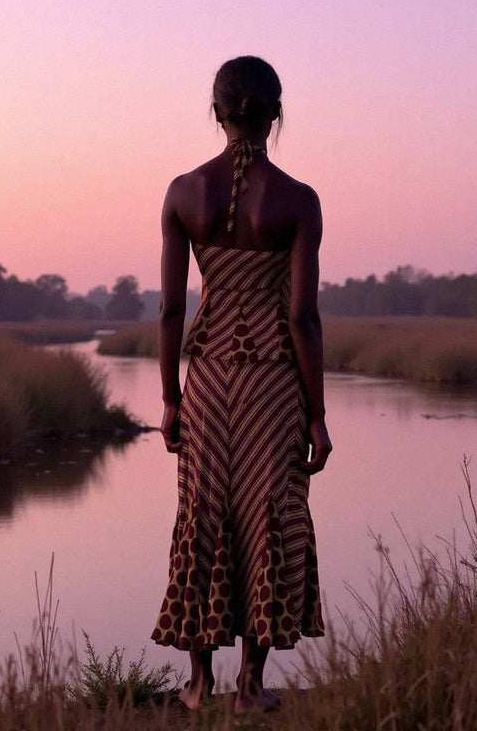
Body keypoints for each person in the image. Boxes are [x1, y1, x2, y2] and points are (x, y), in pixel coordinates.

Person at [151, 55, 332, 713]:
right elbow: (301, 316)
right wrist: (317, 414)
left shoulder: (182, 192)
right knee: (270, 518)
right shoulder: (298, 200)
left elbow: (171, 310)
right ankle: (250, 689)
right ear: (276, 113)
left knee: (201, 517)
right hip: (276, 388)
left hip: (205, 386)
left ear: (216, 110)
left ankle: (198, 687)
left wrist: (171, 397)